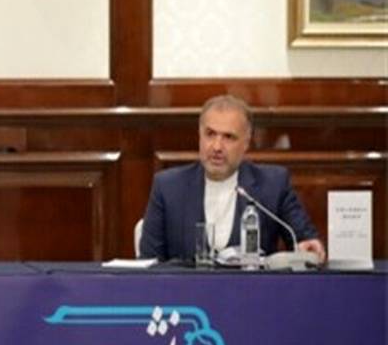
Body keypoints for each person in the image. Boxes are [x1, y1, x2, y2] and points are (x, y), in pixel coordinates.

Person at [139, 94, 325, 262]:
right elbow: (149, 263)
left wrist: (309, 247)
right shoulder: (168, 187)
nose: (217, 147)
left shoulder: (272, 184)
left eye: (228, 137)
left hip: (252, 289)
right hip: (187, 289)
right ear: (199, 136)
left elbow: (303, 239)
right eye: (210, 134)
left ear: (246, 143)